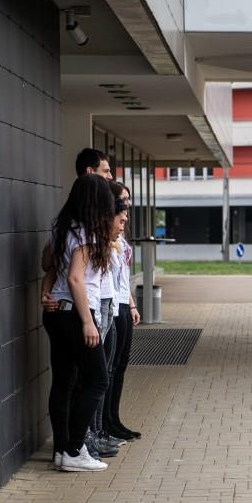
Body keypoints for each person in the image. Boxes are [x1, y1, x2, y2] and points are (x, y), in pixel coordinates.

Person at [40, 173, 114, 472]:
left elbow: (47, 264)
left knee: (63, 383)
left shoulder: (61, 227)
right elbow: (75, 278)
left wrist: (45, 293)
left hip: (56, 313)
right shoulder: (87, 232)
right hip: (75, 313)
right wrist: (88, 322)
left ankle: (61, 452)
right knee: (98, 380)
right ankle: (73, 450)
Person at [104, 183, 142, 441]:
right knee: (109, 367)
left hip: (122, 302)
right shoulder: (106, 228)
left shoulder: (121, 230)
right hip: (111, 305)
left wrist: (131, 303)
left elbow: (123, 272)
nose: (128, 204)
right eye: (124, 199)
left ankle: (113, 420)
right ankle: (105, 424)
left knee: (120, 366)